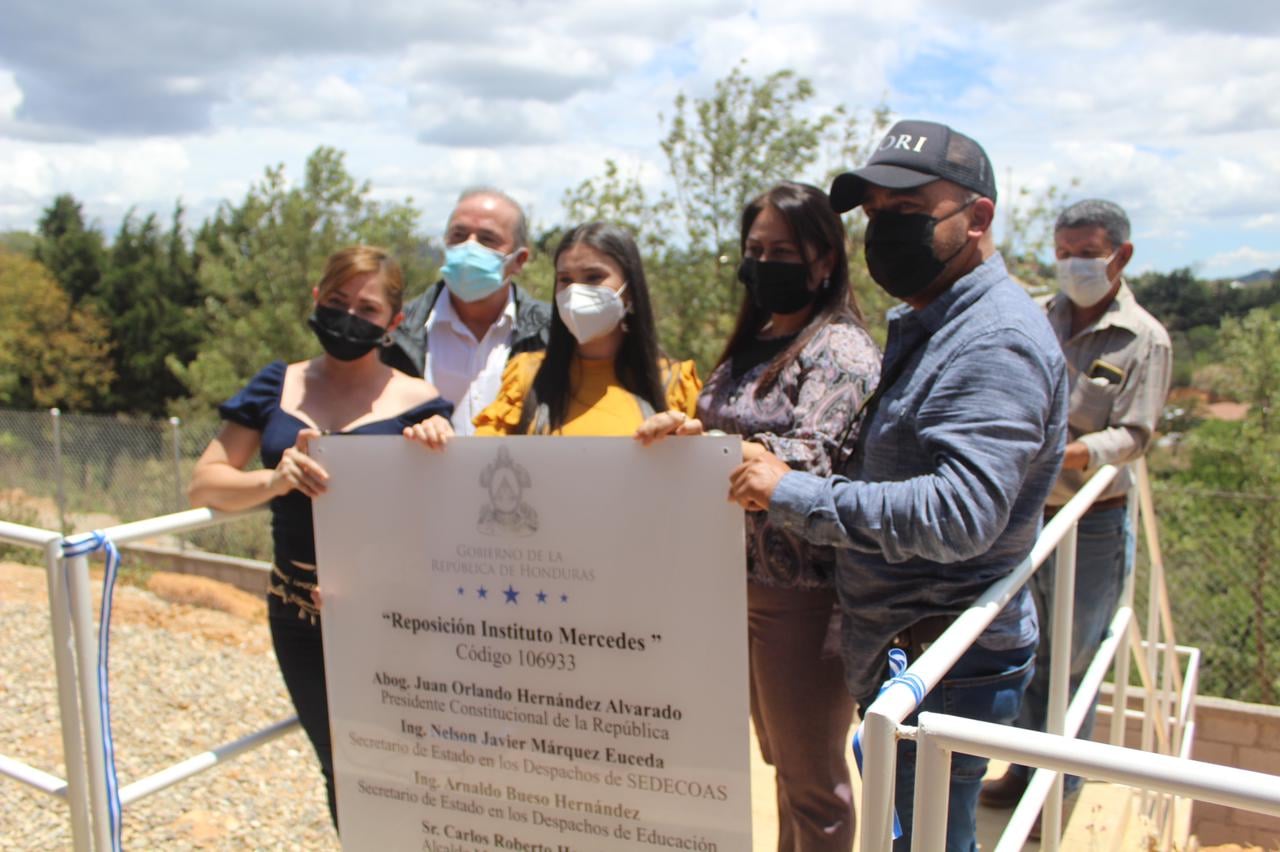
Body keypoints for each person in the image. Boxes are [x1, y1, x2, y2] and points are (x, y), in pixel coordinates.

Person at [727, 120, 1069, 852]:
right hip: (911, 647)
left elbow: (959, 513)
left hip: (945, 656)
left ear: (978, 218)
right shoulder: (941, 323)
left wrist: (792, 492)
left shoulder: (993, 340)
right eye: (876, 215)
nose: (883, 232)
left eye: (908, 216)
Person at [635, 182, 880, 850]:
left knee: (813, 780)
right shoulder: (756, 340)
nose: (764, 262)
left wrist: (709, 447)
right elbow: (722, 440)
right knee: (778, 757)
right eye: (754, 249)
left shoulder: (841, 349)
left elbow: (812, 459)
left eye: (783, 250)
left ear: (825, 260)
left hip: (802, 593)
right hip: (730, 584)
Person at [188, 246, 453, 829]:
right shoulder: (276, 386)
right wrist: (272, 478)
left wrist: (442, 448)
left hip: (391, 616)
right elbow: (205, 484)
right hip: (297, 614)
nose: (349, 316)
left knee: (411, 766)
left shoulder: (423, 405)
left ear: (395, 321)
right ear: (316, 300)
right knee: (342, 767)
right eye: (337, 302)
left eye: (366, 306)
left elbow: (446, 517)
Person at [981, 199, 1172, 817]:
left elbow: (1136, 434)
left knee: (1075, 658)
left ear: (1121, 255)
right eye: (1063, 253)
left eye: (1085, 254)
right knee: (1027, 649)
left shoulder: (1145, 339)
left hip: (1091, 523)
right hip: (1027, 516)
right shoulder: (1033, 316)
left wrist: (1072, 453)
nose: (1072, 265)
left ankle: (1056, 794)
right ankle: (1021, 773)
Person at [408, 221, 699, 445]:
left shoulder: (673, 383)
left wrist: (689, 444)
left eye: (594, 277)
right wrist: (437, 438)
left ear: (630, 290)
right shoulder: (526, 376)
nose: (575, 291)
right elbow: (481, 465)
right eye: (565, 280)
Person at [381, 187, 552, 434]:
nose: (469, 247)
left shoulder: (552, 333)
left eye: (487, 239)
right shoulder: (395, 332)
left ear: (519, 260)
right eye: (458, 235)